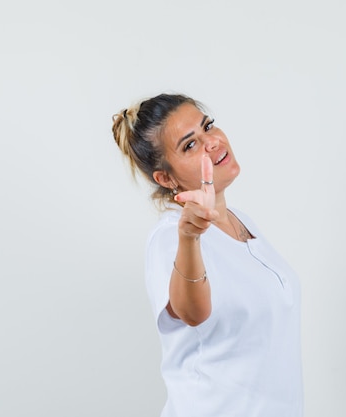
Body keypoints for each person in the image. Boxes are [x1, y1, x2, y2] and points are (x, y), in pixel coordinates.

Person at [111, 93, 303, 417]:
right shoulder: (170, 237)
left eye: (208, 126)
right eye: (190, 144)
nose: (212, 142)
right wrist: (188, 238)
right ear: (166, 178)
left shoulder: (243, 222)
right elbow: (192, 312)